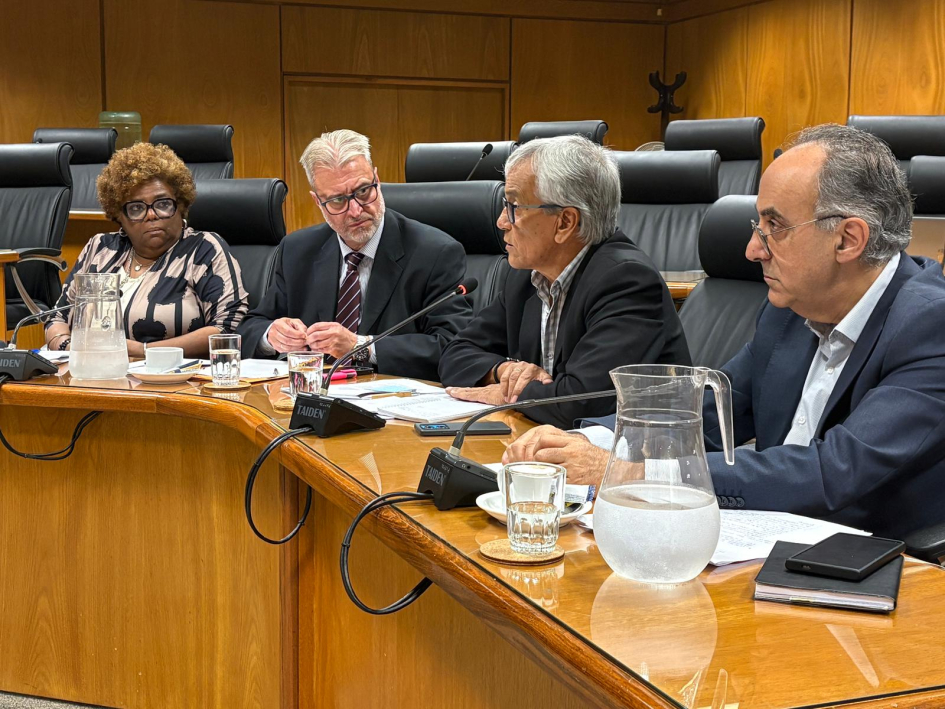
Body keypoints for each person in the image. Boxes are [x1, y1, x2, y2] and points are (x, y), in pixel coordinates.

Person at [503, 123, 945, 539]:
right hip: (762, 543)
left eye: (775, 227)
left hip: (883, 574)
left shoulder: (929, 325)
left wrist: (626, 470)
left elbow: (835, 472)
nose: (753, 249)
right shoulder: (788, 311)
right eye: (758, 225)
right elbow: (708, 413)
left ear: (848, 239)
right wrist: (581, 443)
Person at [439, 134, 690, 428]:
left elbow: (581, 402)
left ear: (565, 222)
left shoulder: (627, 282)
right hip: (541, 442)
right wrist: (504, 370)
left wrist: (507, 395)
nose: (501, 222)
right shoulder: (525, 275)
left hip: (631, 460)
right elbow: (454, 355)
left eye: (514, 207)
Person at [237, 129, 471, 381]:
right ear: (318, 202)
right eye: (338, 201)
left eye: (363, 191)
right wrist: (272, 334)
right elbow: (251, 327)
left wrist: (360, 347)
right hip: (311, 396)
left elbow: (452, 346)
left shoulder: (435, 252)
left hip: (392, 400)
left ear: (377, 180)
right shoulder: (297, 250)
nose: (356, 210)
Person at [45, 142, 248, 357]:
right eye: (136, 208)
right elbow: (57, 318)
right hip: (95, 376)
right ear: (119, 216)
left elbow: (227, 328)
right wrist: (69, 347)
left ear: (180, 205)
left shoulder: (203, 250)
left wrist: (143, 351)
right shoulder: (101, 248)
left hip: (175, 382)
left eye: (162, 204)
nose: (151, 215)